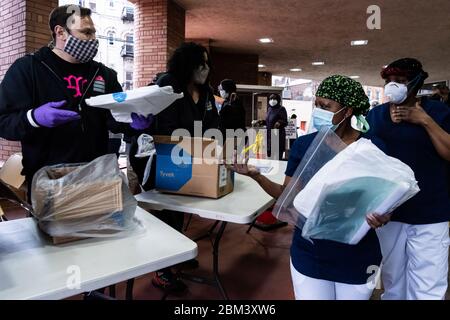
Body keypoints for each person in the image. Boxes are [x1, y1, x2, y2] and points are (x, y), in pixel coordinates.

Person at [232, 75, 390, 300]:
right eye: (317, 105)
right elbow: (288, 197)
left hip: (356, 255)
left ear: (347, 111)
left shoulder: (372, 148)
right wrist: (256, 177)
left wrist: (384, 215)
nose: (319, 111)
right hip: (310, 252)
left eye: (326, 106)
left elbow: (386, 198)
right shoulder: (306, 146)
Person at [0, 5, 152, 197]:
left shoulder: (103, 74)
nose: (93, 39)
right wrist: (34, 118)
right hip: (49, 182)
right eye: (86, 32)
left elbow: (115, 119)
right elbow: (4, 122)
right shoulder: (28, 69)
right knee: (51, 228)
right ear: (60, 32)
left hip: (96, 178)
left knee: (98, 227)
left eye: (94, 33)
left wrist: (134, 125)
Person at [129, 42, 219, 293]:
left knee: (180, 209)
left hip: (188, 157)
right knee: (164, 212)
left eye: (207, 63)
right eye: (200, 63)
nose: (205, 68)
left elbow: (213, 124)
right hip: (157, 158)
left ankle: (176, 252)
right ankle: (161, 270)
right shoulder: (167, 85)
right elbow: (164, 128)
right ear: (186, 64)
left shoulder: (206, 92)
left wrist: (211, 147)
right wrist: (196, 147)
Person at [366, 58, 450, 300]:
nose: (393, 86)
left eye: (400, 81)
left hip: (430, 213)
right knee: (393, 281)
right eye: (389, 81)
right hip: (390, 213)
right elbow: (367, 163)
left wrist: (424, 120)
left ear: (415, 83)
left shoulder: (438, 112)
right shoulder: (376, 116)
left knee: (428, 283)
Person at [266, 94, 288, 160]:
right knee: (270, 157)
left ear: (278, 100)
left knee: (277, 157)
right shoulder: (269, 109)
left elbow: (285, 121)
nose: (272, 101)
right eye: (271, 99)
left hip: (278, 136)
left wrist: (279, 123)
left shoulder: (281, 109)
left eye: (274, 99)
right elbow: (268, 121)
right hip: (269, 136)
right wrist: (261, 122)